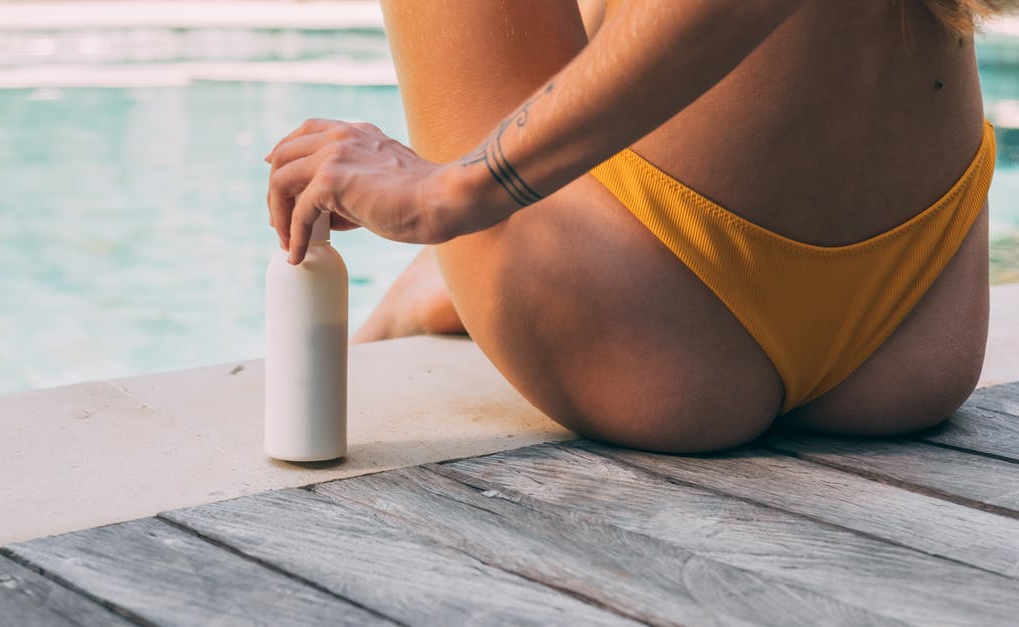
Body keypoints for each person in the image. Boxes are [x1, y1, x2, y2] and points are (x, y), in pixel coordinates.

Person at [264, 0, 1008, 453]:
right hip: (919, 314)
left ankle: (469, 265)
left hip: (655, 316)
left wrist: (460, 189)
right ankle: (450, 283)